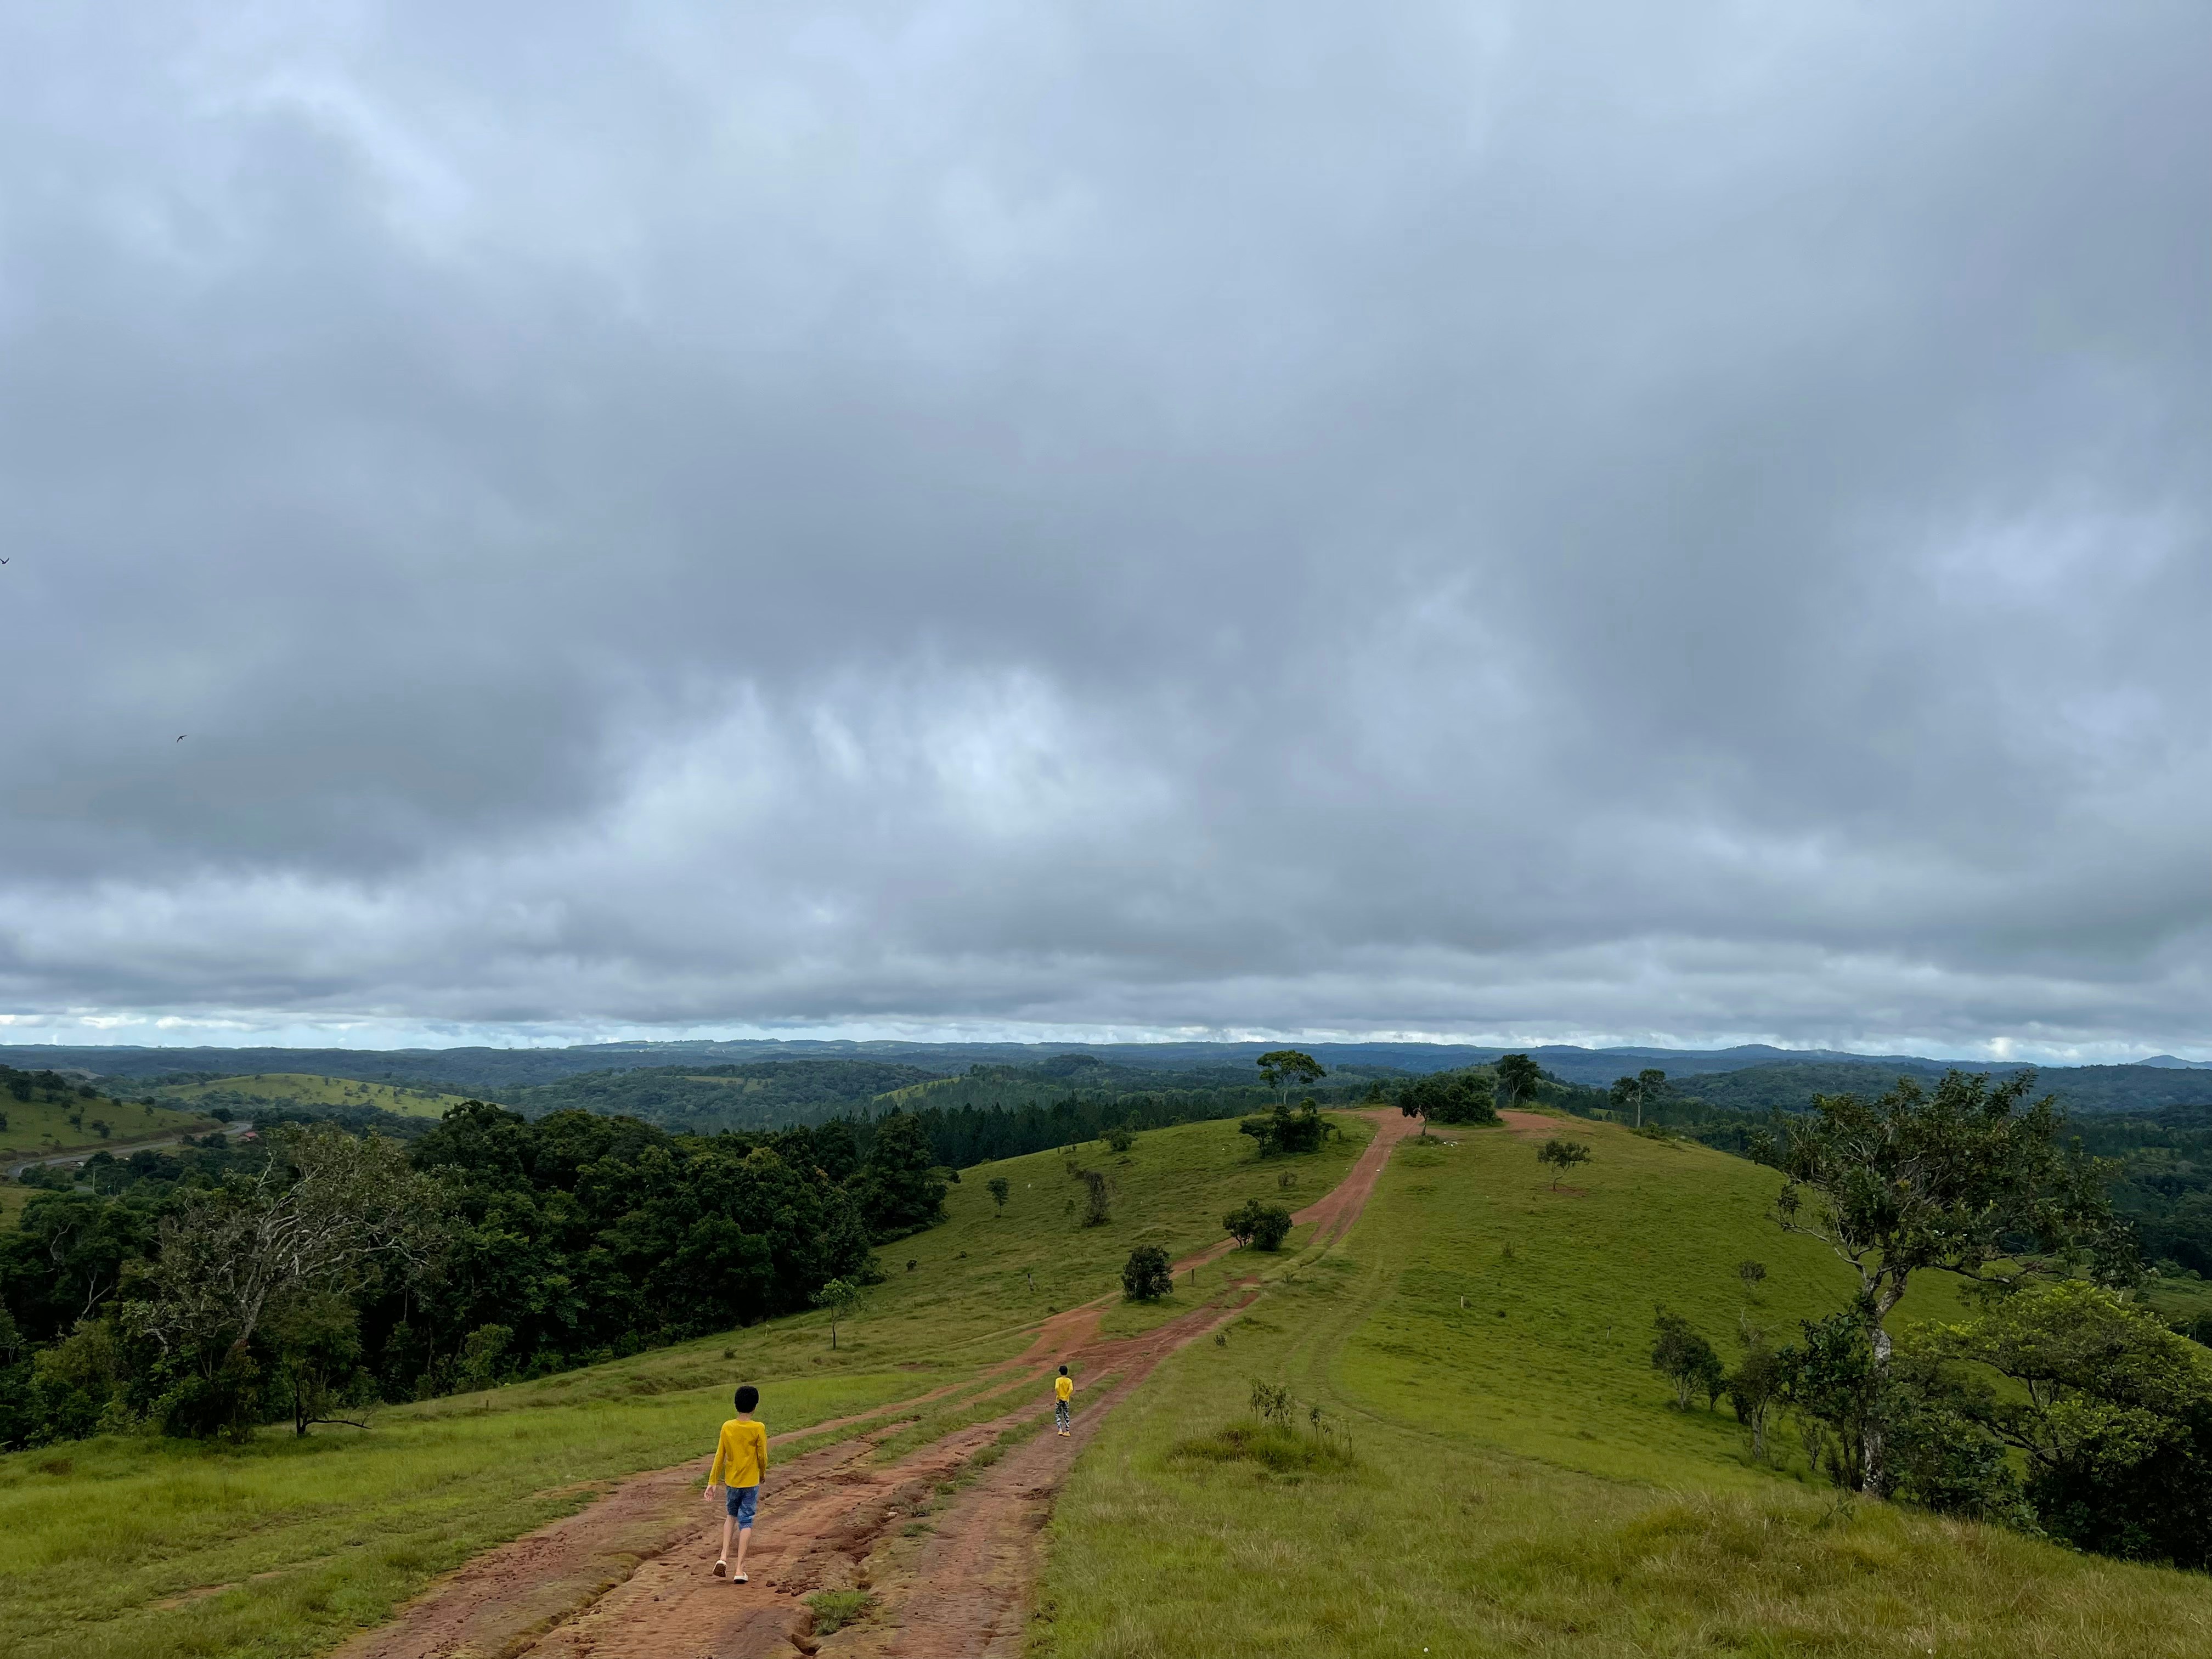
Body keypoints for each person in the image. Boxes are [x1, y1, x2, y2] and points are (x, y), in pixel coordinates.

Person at [707, 1383, 768, 1583]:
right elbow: (762, 1456)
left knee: (731, 1516)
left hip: (732, 1482)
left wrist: (713, 1481)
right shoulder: (758, 1428)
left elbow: (719, 1455)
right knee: (747, 1522)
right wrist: (762, 1473)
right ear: (755, 1406)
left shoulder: (727, 1427)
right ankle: (740, 1569)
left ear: (735, 1404)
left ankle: (723, 1556)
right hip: (750, 1483)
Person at [1053, 1364, 1074, 1436]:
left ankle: (1060, 1430)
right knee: (1066, 1414)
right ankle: (1067, 1431)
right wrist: (1066, 1396)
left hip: (1059, 1400)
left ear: (1060, 1372)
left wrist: (1060, 1396)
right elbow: (1071, 1389)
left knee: (1058, 1414)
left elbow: (1056, 1388)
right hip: (1066, 1400)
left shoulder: (1058, 1380)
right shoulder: (1069, 1381)